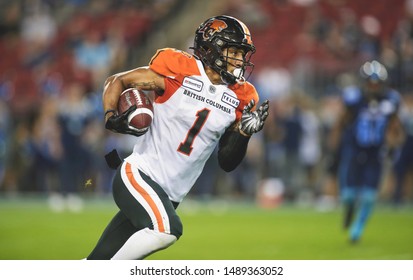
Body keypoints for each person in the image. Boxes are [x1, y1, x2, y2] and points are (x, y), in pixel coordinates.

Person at [86, 15, 269, 259]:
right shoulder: (179, 70)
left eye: (242, 53)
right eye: (233, 51)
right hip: (139, 175)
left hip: (171, 196)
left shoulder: (242, 96)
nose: (239, 60)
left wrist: (244, 133)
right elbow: (118, 80)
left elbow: (227, 162)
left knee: (96, 261)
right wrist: (110, 116)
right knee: (167, 230)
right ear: (209, 48)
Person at [327, 60, 404, 243]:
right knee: (348, 196)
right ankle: (349, 211)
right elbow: (340, 123)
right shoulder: (353, 98)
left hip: (375, 152)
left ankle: (357, 229)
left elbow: (395, 128)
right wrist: (334, 148)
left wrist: (393, 146)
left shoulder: (390, 100)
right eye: (371, 82)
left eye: (377, 83)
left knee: (369, 196)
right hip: (354, 150)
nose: (374, 86)